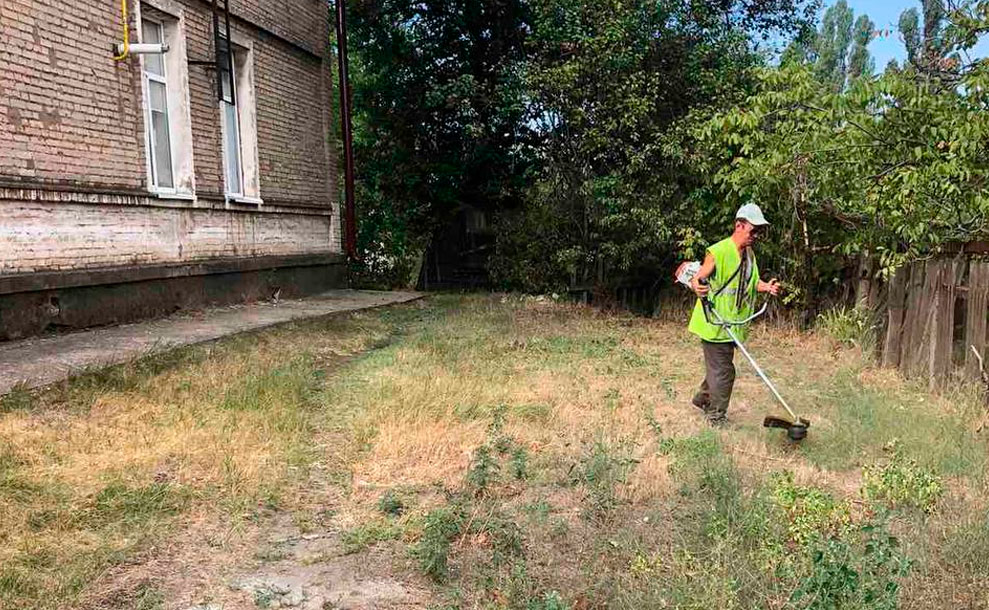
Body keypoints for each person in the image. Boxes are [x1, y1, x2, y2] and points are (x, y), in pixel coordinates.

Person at [687, 203, 781, 425]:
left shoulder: (749, 256)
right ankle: (716, 417)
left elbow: (750, 282)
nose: (756, 235)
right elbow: (699, 277)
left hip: (734, 325)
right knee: (725, 372)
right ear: (739, 225)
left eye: (759, 231)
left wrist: (766, 286)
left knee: (719, 368)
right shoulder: (718, 251)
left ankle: (703, 398)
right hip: (714, 323)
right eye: (753, 230)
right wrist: (695, 285)